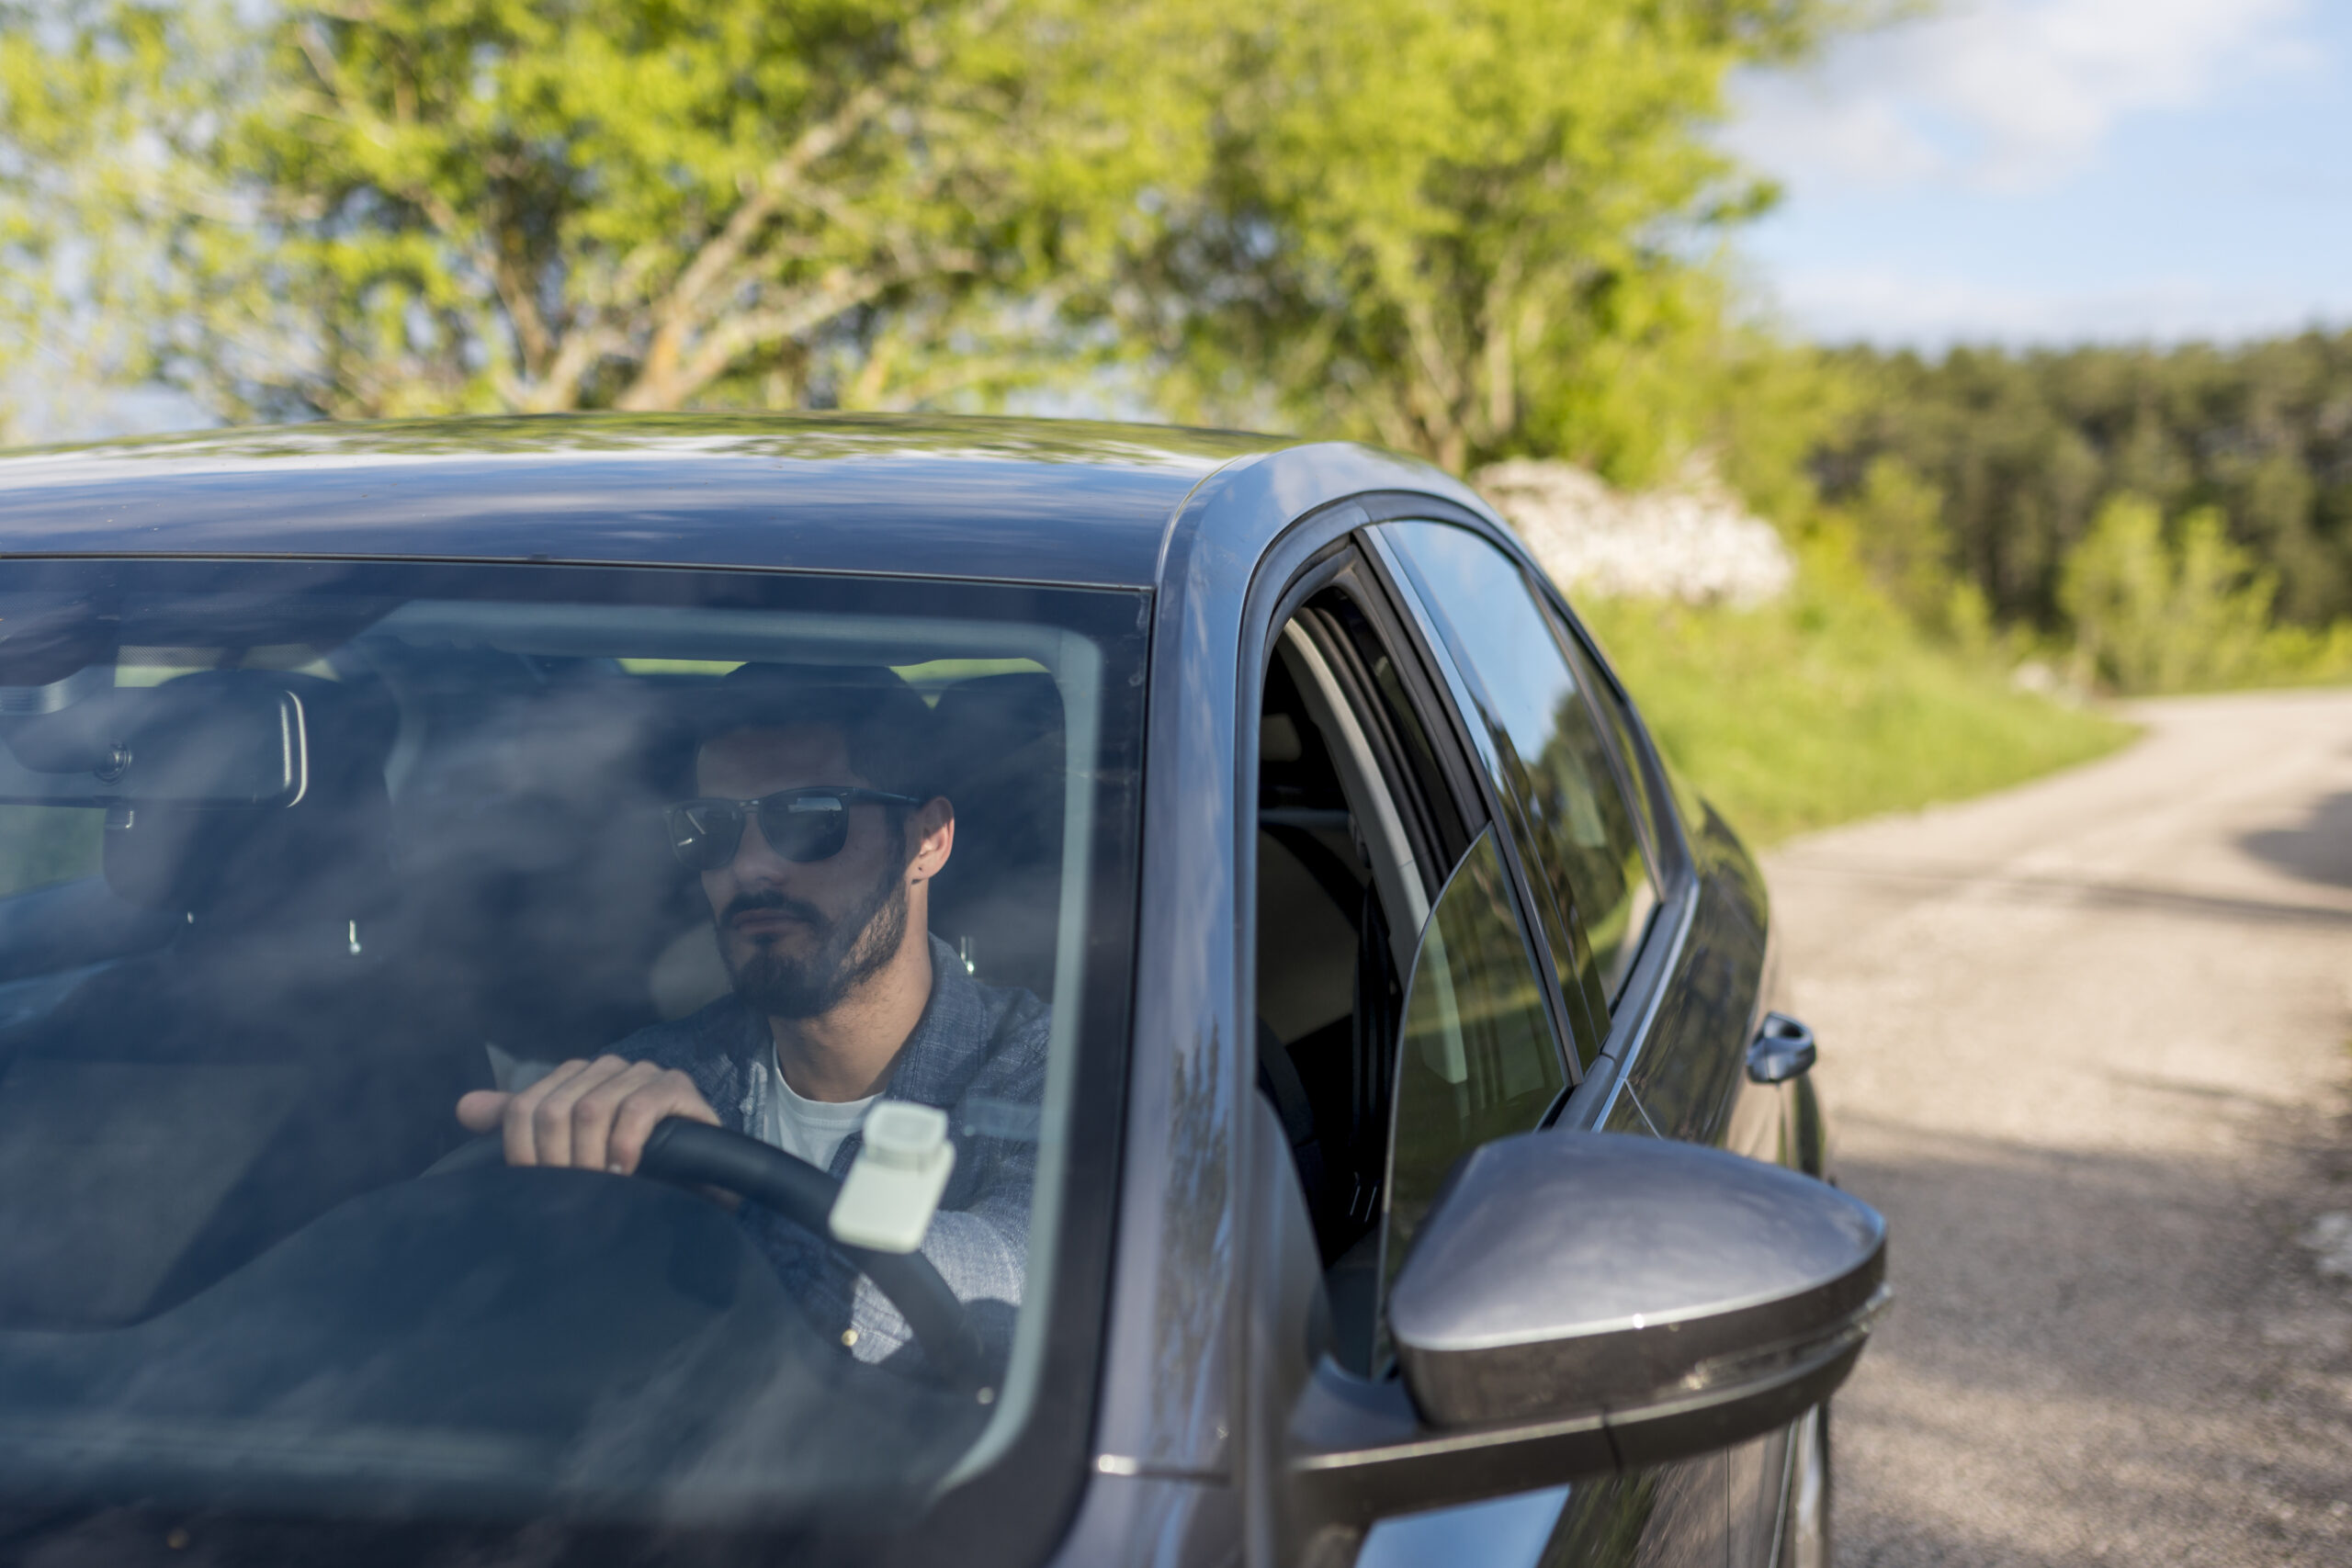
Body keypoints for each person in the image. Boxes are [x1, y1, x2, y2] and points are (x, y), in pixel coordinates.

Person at [454, 664, 1049, 1371]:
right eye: (713, 829)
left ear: (928, 839)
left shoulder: (1050, 1075)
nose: (752, 867)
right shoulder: (650, 1078)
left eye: (809, 821)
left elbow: (1018, 1280)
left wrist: (742, 1210)